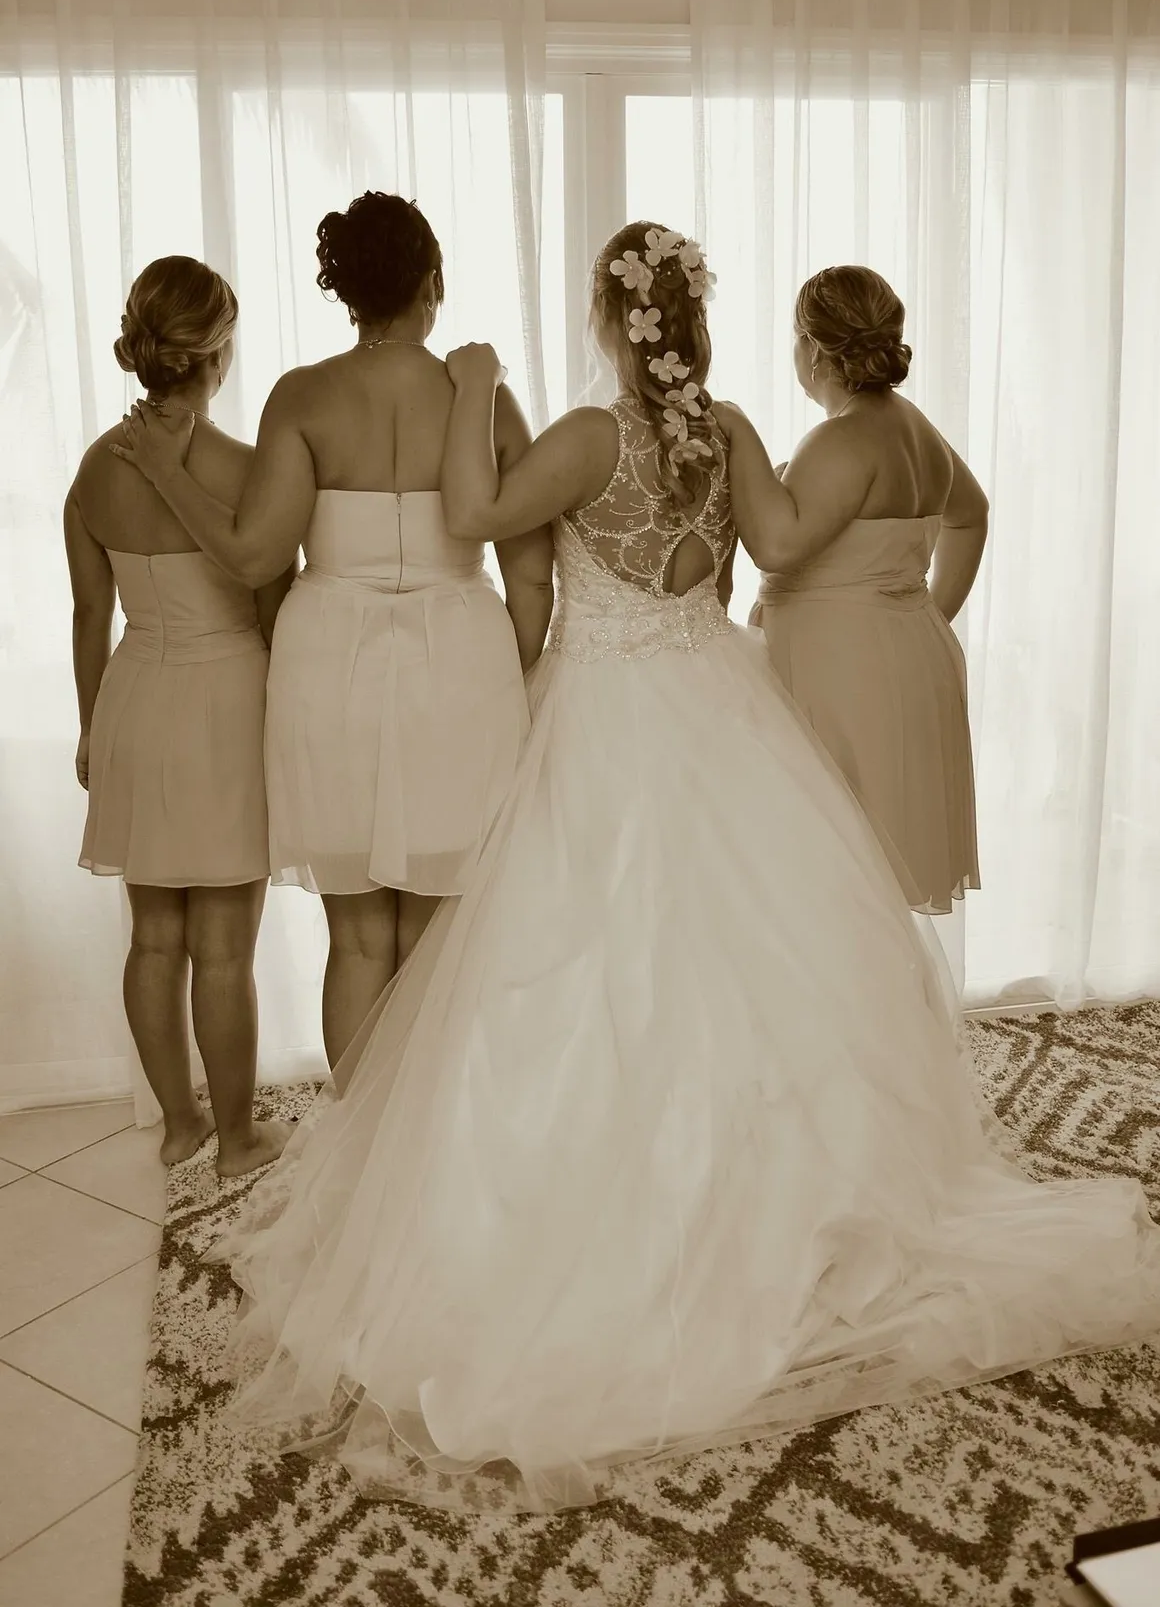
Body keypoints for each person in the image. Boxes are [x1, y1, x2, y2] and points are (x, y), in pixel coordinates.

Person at [203, 222, 1160, 1517]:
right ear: (687, 323)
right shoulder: (731, 432)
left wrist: (479, 386)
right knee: (737, 956)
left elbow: (483, 518)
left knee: (576, 960)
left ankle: (577, 1223)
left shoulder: (591, 438)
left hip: (603, 713)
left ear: (612, 324)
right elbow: (772, 545)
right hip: (713, 705)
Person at [111, 193, 552, 1067]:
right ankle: (423, 1157)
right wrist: (519, 675)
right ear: (434, 282)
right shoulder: (484, 400)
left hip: (328, 670)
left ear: (345, 294)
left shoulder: (303, 396)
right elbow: (532, 574)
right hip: (461, 666)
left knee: (354, 940)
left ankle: (352, 1160)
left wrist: (167, 471)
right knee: (433, 938)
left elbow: (250, 555)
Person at [65, 256, 293, 1176]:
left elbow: (90, 614)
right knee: (224, 948)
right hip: (227, 699)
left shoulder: (94, 468)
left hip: (133, 701)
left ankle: (178, 1123)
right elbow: (275, 611)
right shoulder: (244, 471)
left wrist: (90, 726)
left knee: (153, 936)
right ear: (218, 354)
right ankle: (238, 1140)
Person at [748, 266, 986, 912]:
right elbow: (971, 513)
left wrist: (740, 443)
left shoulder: (841, 437)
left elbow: (775, 546)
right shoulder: (911, 425)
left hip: (841, 664)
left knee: (827, 864)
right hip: (901, 650)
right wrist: (927, 612)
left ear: (811, 346)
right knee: (865, 866)